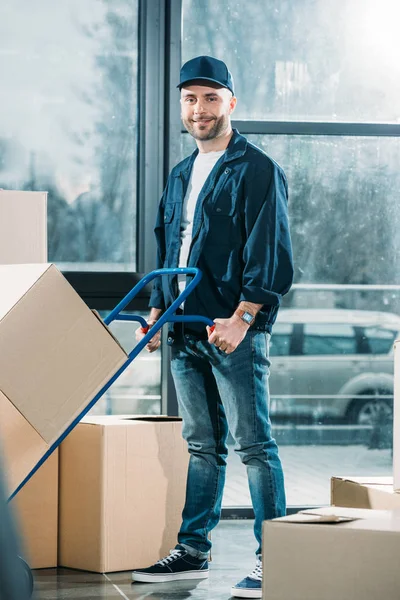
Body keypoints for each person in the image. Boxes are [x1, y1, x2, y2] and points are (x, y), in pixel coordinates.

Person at [132, 55, 293, 599]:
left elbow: (269, 251)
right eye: (190, 99)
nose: (199, 109)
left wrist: (245, 317)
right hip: (184, 328)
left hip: (232, 330)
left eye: (209, 98)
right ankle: (193, 550)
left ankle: (279, 558)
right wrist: (157, 311)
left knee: (255, 444)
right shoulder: (181, 174)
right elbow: (169, 244)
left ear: (231, 103)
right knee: (202, 444)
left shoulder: (257, 169)